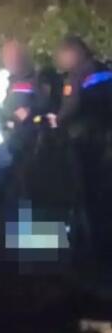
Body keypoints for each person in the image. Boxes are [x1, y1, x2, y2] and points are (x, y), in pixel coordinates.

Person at [52, 36, 112, 259]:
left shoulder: (77, 75)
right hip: (106, 139)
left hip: (86, 144)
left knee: (87, 195)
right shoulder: (104, 69)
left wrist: (54, 121)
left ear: (72, 53)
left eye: (62, 55)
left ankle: (93, 250)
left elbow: (70, 109)